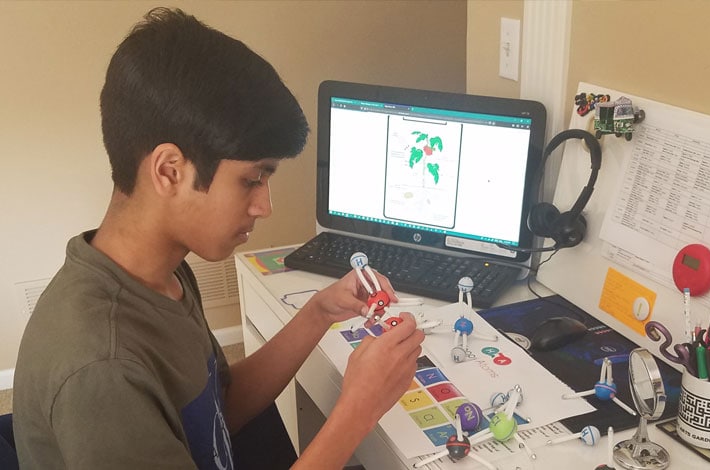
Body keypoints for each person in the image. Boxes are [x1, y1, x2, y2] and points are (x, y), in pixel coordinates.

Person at [12, 7, 425, 469]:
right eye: (253, 179)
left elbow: (215, 412)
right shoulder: (101, 371)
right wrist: (358, 411)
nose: (264, 206)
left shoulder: (164, 273)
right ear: (170, 171)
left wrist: (319, 312)